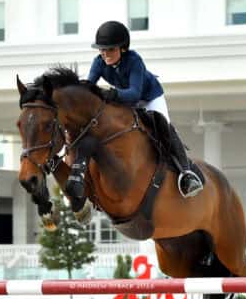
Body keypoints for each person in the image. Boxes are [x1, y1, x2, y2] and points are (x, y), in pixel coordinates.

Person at [87, 20, 204, 198]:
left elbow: (134, 93)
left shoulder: (134, 61)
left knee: (164, 127)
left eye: (110, 49)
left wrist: (112, 94)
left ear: (122, 48)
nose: (105, 54)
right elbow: (89, 86)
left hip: (150, 98)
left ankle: (186, 174)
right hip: (126, 101)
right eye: (102, 49)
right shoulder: (98, 63)